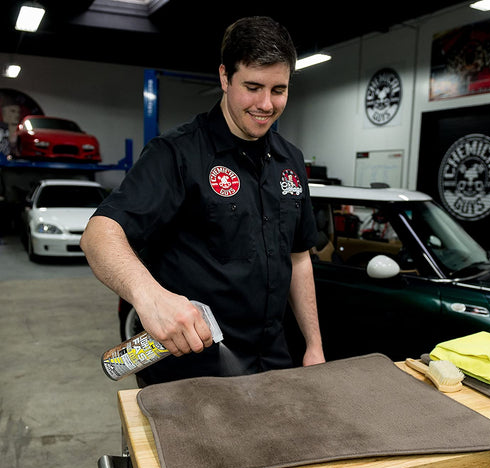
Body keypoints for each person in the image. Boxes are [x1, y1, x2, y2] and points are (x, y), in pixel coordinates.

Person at [81, 16, 325, 386]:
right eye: (253, 86)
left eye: (279, 90)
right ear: (225, 78)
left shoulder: (290, 160)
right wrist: (150, 297)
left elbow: (299, 257)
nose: (265, 104)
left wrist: (313, 344)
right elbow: (99, 235)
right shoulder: (176, 153)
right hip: (190, 371)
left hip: (272, 362)